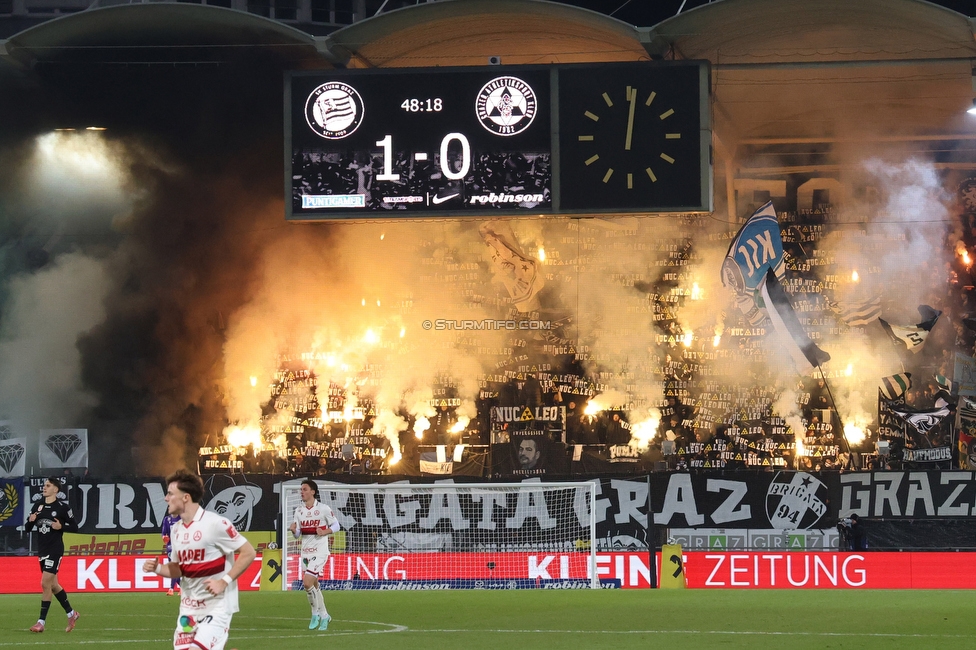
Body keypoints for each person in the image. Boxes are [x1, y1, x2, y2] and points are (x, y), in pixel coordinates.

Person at [142, 469, 256, 650]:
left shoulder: (215, 524)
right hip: (188, 609)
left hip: (217, 606)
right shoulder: (176, 529)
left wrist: (223, 582)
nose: (165, 498)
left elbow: (248, 552)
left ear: (185, 497)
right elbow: (178, 568)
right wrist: (157, 568)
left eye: (170, 493)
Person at [24, 477, 80, 633]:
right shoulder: (38, 506)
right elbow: (27, 528)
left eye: (48, 486)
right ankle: (72, 613)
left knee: (45, 583)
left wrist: (61, 527)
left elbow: (75, 527)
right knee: (54, 585)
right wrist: (31, 520)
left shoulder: (62, 507)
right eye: (44, 485)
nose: (44, 488)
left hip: (55, 550)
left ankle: (41, 622)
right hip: (42, 550)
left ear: (56, 489)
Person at [288, 478, 340, 631]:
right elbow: (298, 535)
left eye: (304, 489)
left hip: (320, 551)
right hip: (305, 552)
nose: (301, 492)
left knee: (307, 583)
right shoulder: (299, 511)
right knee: (314, 585)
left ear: (313, 492)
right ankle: (325, 615)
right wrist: (294, 531)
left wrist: (325, 531)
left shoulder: (323, 509)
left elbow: (336, 525)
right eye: (301, 490)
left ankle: (314, 614)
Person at [160, 511, 182, 596]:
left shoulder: (182, 519)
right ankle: (182, 588)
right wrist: (164, 537)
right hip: (170, 547)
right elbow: (163, 532)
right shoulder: (167, 519)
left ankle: (171, 589)